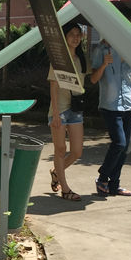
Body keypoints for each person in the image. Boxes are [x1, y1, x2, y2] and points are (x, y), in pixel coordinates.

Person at [90, 4, 131, 197]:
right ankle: (102, 178)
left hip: (128, 104)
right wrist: (104, 64)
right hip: (110, 105)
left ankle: (114, 185)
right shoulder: (102, 49)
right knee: (119, 143)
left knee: (125, 148)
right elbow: (93, 79)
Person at [47, 20, 88, 202]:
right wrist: (55, 114)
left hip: (76, 110)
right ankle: (65, 189)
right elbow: (53, 86)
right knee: (60, 149)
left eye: (78, 35)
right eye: (71, 34)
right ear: (64, 37)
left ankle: (56, 172)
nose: (75, 38)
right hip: (60, 110)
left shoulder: (81, 59)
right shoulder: (58, 59)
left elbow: (88, 81)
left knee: (77, 151)